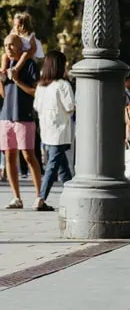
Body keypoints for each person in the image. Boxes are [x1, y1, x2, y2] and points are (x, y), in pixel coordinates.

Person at [0, 33, 42, 209]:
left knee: (28, 155)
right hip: (5, 116)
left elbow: (35, 91)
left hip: (24, 116)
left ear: (20, 45)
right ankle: (16, 198)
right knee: (9, 156)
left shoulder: (29, 64)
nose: (8, 48)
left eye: (11, 45)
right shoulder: (5, 65)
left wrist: (16, 80)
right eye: (5, 45)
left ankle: (41, 195)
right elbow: (3, 94)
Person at [33, 50, 75, 212]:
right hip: (60, 130)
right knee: (52, 165)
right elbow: (70, 107)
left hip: (46, 130)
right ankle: (41, 198)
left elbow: (37, 107)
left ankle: (72, 194)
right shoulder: (63, 85)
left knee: (62, 166)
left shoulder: (41, 86)